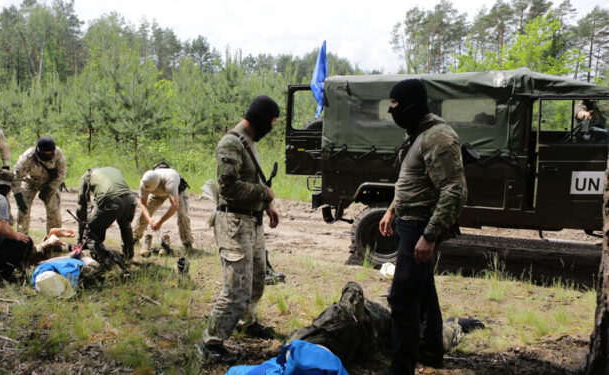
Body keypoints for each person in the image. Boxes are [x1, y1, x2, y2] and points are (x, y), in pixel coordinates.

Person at [378, 79, 467, 375]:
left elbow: (454, 190)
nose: (391, 110)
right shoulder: (416, 133)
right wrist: (392, 210)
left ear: (411, 105)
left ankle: (401, 367)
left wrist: (429, 236)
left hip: (420, 226)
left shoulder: (438, 136)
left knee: (402, 296)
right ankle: (430, 350)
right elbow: (411, 179)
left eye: (394, 104)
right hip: (408, 221)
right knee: (423, 290)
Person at [198, 95, 281, 364]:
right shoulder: (231, 142)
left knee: (257, 279)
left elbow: (252, 179)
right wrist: (263, 192)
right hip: (234, 224)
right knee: (236, 289)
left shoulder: (249, 143)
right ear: (260, 118)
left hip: (252, 223)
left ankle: (247, 322)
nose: (271, 127)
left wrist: (267, 204)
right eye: (271, 122)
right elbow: (229, 188)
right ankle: (211, 341)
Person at [287, 282, 483, 373]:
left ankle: (455, 325)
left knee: (431, 341)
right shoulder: (298, 349)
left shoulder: (336, 321)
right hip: (377, 336)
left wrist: (353, 311)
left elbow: (353, 288)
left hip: (383, 318)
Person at [76, 167, 137, 260]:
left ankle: (102, 260)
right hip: (130, 199)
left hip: (111, 200)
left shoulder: (86, 177)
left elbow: (81, 205)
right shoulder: (114, 170)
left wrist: (81, 237)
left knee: (92, 232)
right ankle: (128, 256)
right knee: (125, 225)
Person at [131, 165, 194, 255]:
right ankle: (134, 238)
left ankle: (188, 243)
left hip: (177, 190)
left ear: (156, 186)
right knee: (145, 212)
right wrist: (149, 219)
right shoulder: (145, 183)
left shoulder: (170, 182)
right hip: (158, 191)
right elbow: (143, 204)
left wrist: (160, 222)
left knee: (182, 214)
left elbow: (175, 205)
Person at [12, 136, 67, 235]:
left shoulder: (58, 153)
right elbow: (16, 177)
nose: (48, 156)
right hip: (29, 181)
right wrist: (18, 196)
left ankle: (53, 239)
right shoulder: (27, 157)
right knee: (23, 210)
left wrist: (51, 187)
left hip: (49, 182)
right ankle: (22, 239)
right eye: (45, 154)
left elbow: (62, 174)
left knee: (54, 212)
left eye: (50, 154)